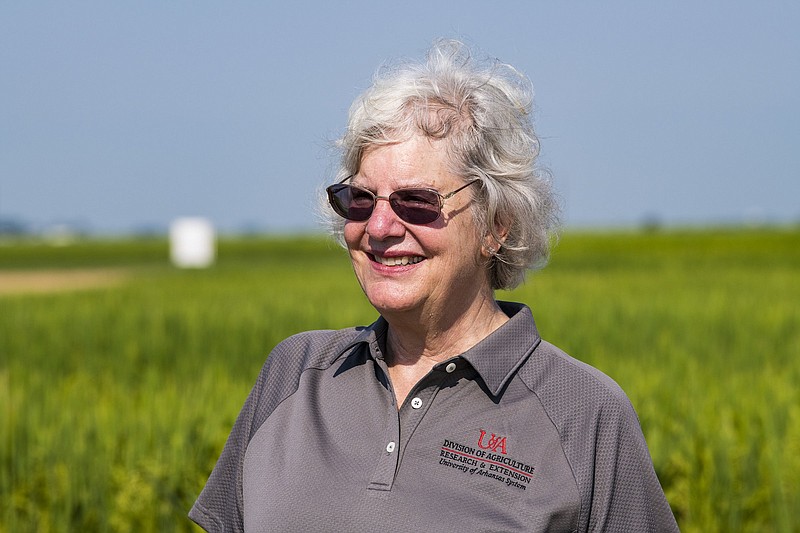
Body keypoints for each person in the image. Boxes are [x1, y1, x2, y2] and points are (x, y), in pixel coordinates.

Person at [189, 39, 679, 532]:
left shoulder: (583, 412)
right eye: (360, 199)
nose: (379, 227)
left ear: (497, 224)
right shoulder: (295, 374)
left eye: (416, 202)